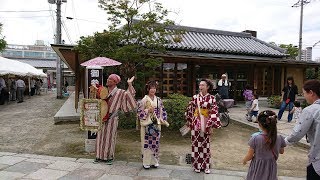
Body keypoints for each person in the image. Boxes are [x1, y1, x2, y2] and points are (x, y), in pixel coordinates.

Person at [94, 74, 137, 165]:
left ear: (115, 82)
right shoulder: (104, 91)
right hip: (102, 117)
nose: (108, 80)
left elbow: (130, 95)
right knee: (100, 136)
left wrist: (129, 84)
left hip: (112, 118)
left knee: (109, 138)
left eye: (110, 79)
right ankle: (98, 156)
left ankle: (108, 157)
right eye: (108, 78)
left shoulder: (120, 92)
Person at [285, 79, 320, 179]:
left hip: (317, 158)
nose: (303, 96)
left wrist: (284, 142)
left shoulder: (311, 110)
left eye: (304, 93)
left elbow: (297, 133)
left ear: (311, 93)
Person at [185, 79, 221, 174]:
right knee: (196, 144)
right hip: (196, 122)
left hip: (206, 122)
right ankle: (197, 165)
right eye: (200, 85)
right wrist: (189, 120)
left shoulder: (212, 98)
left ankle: (206, 166)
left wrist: (211, 125)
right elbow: (190, 110)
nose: (200, 87)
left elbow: (214, 112)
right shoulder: (195, 97)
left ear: (208, 87)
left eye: (203, 85)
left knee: (205, 145)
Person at [243, 110, 286, 180]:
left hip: (258, 167)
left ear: (259, 124)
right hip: (271, 166)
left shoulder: (255, 138)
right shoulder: (279, 137)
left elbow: (250, 155)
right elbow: (281, 151)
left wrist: (244, 160)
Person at [137, 81, 169, 169]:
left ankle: (154, 161)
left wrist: (163, 118)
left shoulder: (158, 100)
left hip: (156, 124)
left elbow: (163, 110)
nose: (153, 90)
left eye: (154, 88)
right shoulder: (144, 100)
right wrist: (147, 111)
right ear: (148, 89)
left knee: (156, 143)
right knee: (146, 143)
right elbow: (139, 113)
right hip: (147, 124)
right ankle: (146, 162)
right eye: (151, 88)